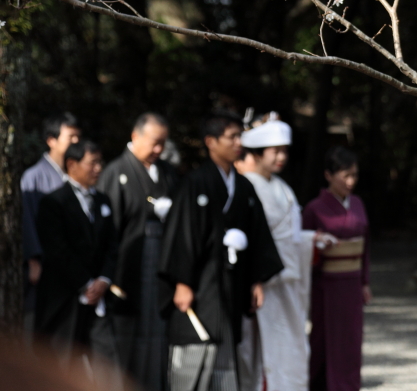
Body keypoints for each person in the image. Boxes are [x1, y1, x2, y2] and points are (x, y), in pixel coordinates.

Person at [158, 111, 283, 391]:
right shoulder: (194, 183)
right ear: (211, 142)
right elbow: (182, 237)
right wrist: (181, 282)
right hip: (199, 286)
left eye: (240, 136)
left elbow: (259, 235)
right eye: (232, 137)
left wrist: (257, 280)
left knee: (226, 357)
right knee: (193, 354)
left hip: (231, 285)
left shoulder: (243, 186)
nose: (239, 142)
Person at [97, 112, 179, 391]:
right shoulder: (116, 172)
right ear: (135, 136)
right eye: (154, 143)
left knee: (157, 336)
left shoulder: (168, 173)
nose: (158, 150)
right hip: (127, 269)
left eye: (163, 144)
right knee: (126, 339)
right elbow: (108, 233)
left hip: (161, 266)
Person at [234, 114, 316, 391]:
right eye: (275, 151)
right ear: (256, 153)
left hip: (286, 283)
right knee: (255, 353)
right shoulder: (245, 186)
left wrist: (311, 239)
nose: (282, 157)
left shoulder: (282, 188)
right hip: (261, 282)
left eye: (285, 151)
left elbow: (289, 237)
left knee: (289, 349)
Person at [34, 140, 119, 375]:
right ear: (72, 164)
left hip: (98, 300)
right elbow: (56, 249)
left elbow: (112, 246)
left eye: (100, 162)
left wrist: (103, 279)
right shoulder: (53, 202)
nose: (99, 168)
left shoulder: (103, 200)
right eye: (92, 163)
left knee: (106, 364)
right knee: (61, 366)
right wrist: (86, 283)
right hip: (64, 299)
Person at [302, 146, 371, 391]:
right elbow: (304, 248)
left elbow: (365, 245)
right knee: (325, 338)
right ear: (329, 175)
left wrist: (364, 281)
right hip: (327, 285)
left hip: (352, 283)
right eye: (345, 175)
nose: (351, 182)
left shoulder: (358, 204)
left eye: (354, 175)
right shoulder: (314, 209)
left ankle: (349, 385)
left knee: (351, 340)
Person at [22, 112, 81, 333]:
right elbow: (27, 220)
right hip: (44, 268)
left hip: (70, 269)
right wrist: (33, 259)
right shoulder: (34, 176)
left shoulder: (76, 176)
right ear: (51, 140)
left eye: (78, 137)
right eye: (71, 137)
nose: (77, 142)